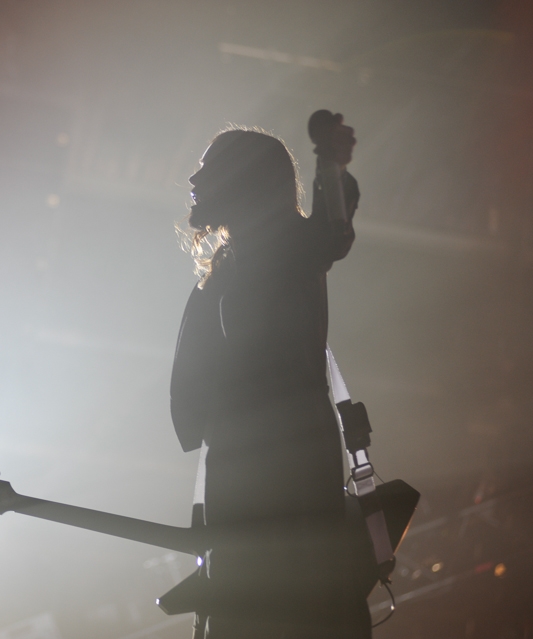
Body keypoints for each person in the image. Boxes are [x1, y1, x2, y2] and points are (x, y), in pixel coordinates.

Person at [170, 117, 368, 638]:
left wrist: (331, 167)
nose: (193, 179)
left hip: (286, 472)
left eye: (208, 168)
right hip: (246, 471)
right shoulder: (226, 270)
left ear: (244, 182)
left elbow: (330, 231)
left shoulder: (289, 246)